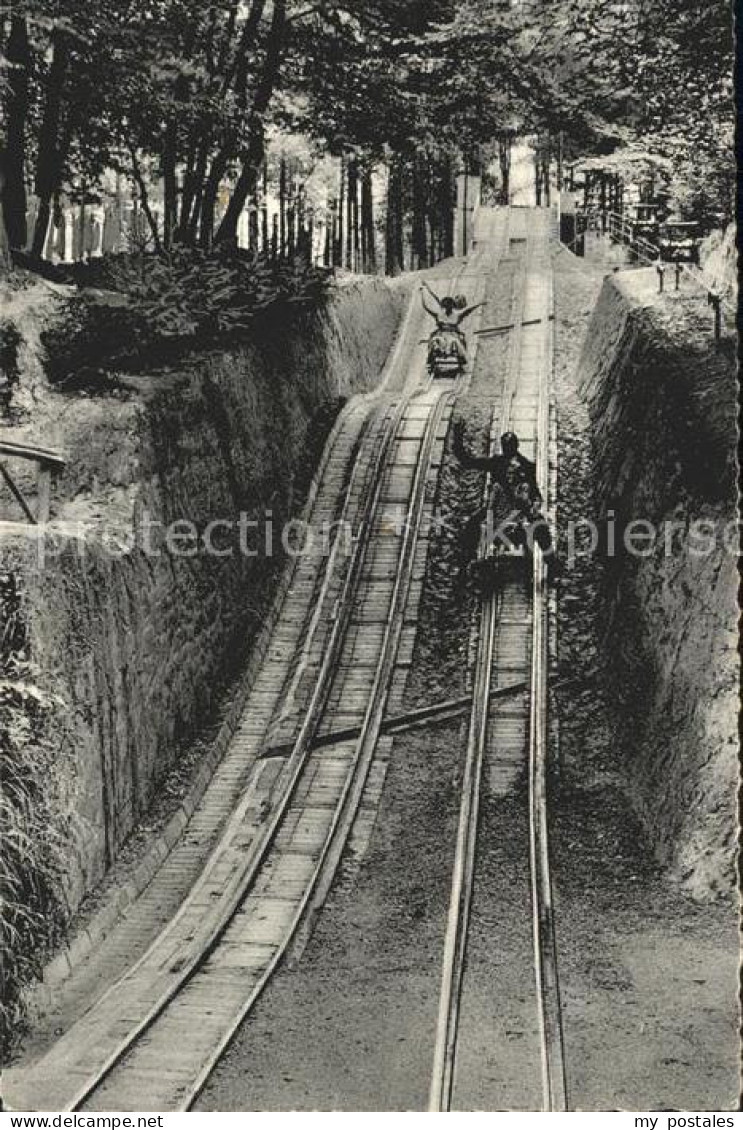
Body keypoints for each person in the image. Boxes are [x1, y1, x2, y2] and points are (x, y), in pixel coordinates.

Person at [452, 421, 556, 572]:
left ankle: (552, 564)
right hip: (500, 510)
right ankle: (465, 562)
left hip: (519, 512)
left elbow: (535, 494)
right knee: (473, 524)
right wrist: (458, 440)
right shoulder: (500, 463)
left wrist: (534, 506)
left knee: (541, 527)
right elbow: (467, 462)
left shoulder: (522, 466)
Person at [420, 282, 484, 368]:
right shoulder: (439, 314)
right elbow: (426, 307)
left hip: (453, 335)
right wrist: (422, 294)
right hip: (441, 334)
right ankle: (431, 358)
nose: (448, 308)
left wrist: (480, 303)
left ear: (452, 306)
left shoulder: (457, 315)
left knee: (456, 342)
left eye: (450, 306)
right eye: (446, 306)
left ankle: (462, 358)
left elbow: (468, 310)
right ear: (444, 306)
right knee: (435, 341)